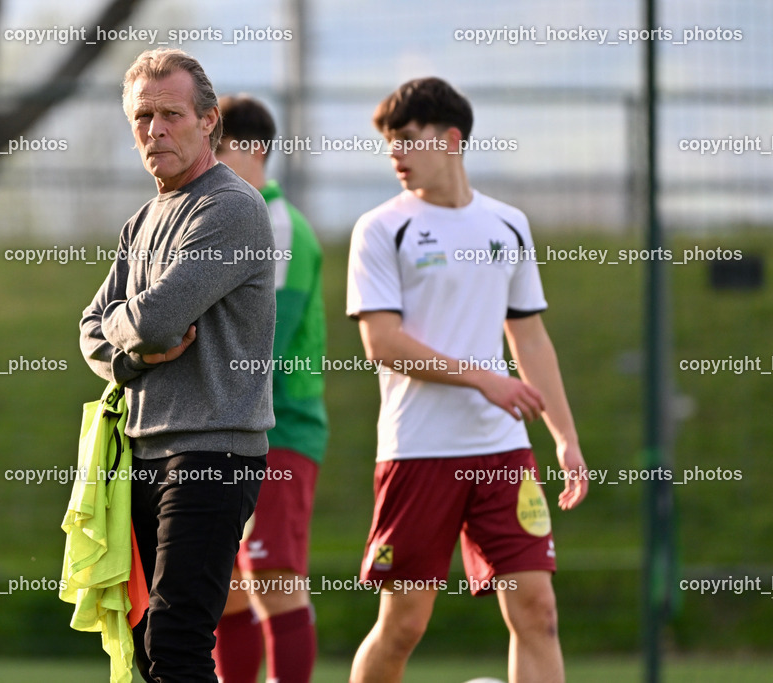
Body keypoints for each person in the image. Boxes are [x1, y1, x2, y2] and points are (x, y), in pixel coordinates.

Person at [345, 77, 589, 683]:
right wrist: (484, 379)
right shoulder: (379, 229)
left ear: (451, 139)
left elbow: (529, 338)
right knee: (403, 625)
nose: (394, 154)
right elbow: (382, 343)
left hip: (502, 451)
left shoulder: (508, 225)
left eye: (406, 139)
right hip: (418, 450)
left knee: (538, 611)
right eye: (387, 143)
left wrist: (565, 438)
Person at [79, 48, 276, 683]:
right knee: (145, 643)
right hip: (139, 452)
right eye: (142, 116)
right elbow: (90, 333)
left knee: (176, 640)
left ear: (209, 121)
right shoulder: (141, 222)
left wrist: (126, 329)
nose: (155, 130)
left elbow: (156, 322)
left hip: (212, 453)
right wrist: (131, 351)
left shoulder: (232, 208)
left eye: (171, 114)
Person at [212, 95, 329, 683]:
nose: (210, 163)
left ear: (255, 150)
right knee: (228, 591)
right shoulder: (233, 222)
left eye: (221, 149)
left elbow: (265, 344)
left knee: (275, 582)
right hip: (233, 429)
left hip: (279, 430)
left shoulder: (278, 225)